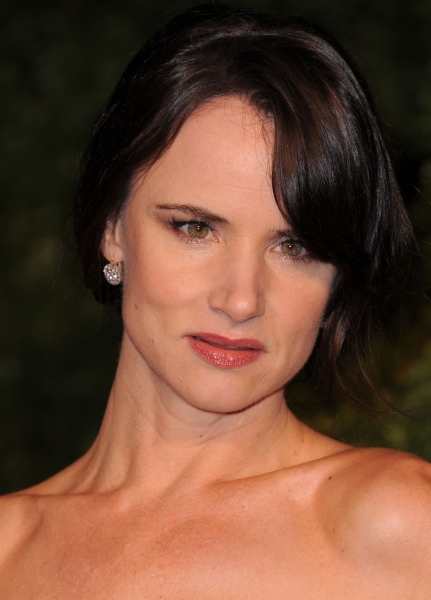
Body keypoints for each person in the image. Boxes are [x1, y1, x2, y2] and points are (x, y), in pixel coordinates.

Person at [0, 4, 430, 598]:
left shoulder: (399, 525)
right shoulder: (8, 549)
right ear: (112, 227)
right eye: (196, 228)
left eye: (295, 247)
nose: (241, 299)